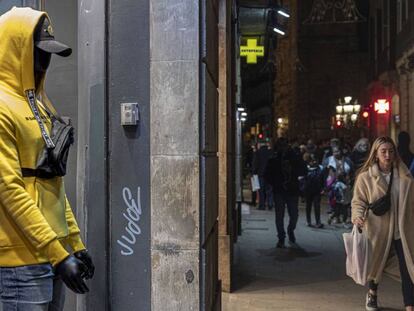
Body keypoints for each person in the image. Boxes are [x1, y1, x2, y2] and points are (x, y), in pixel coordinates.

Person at [0, 8, 94, 310]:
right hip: (20, 265)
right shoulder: (2, 107)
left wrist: (73, 243)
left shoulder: (39, 105)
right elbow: (10, 190)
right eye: (38, 51)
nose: (46, 60)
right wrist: (59, 251)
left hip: (52, 256)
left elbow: (52, 181)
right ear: (16, 48)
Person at [352, 136, 414, 311]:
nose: (388, 155)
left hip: (402, 230)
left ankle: (410, 305)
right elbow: (358, 201)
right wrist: (357, 216)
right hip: (378, 228)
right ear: (376, 154)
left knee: (408, 267)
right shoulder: (366, 178)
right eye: (383, 151)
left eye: (391, 151)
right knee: (376, 263)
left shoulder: (405, 177)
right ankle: (372, 292)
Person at [265, 137, 307, 248]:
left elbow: (304, 170)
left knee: (294, 215)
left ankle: (290, 230)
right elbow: (267, 175)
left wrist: (294, 170)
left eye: (284, 145)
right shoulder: (274, 159)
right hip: (279, 191)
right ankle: (281, 237)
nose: (283, 148)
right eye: (281, 146)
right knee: (279, 216)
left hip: (292, 190)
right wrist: (275, 183)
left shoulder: (294, 157)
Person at [303, 153, 325, 228]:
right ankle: (308, 221)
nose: (314, 162)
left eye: (316, 160)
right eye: (312, 160)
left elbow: (323, 180)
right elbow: (303, 180)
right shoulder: (306, 169)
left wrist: (323, 189)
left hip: (317, 190)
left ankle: (318, 222)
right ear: (309, 161)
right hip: (308, 190)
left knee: (317, 206)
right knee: (308, 206)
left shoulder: (320, 169)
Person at [253, 141, 274, 210]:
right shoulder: (271, 152)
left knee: (261, 191)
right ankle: (270, 204)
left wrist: (254, 172)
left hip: (261, 174)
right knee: (269, 190)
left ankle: (262, 205)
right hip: (270, 174)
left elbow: (256, 163)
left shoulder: (258, 153)